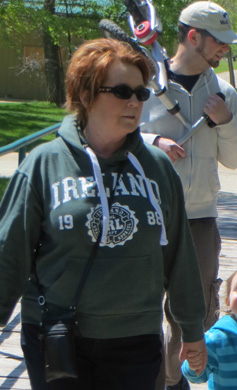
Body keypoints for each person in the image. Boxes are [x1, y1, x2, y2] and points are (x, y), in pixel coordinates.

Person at [0, 38, 207, 389]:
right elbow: (9, 255)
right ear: (85, 95)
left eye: (141, 94)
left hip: (135, 338)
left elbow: (179, 256)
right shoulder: (43, 164)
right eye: (122, 91)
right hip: (59, 333)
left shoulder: (157, 168)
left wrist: (191, 328)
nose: (134, 102)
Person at [138, 2, 237, 388]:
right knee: (141, 307)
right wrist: (154, 142)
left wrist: (224, 122)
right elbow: (116, 134)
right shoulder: (146, 83)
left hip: (200, 220)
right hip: (147, 218)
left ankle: (172, 381)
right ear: (193, 36)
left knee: (193, 312)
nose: (225, 50)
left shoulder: (224, 93)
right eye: (219, 42)